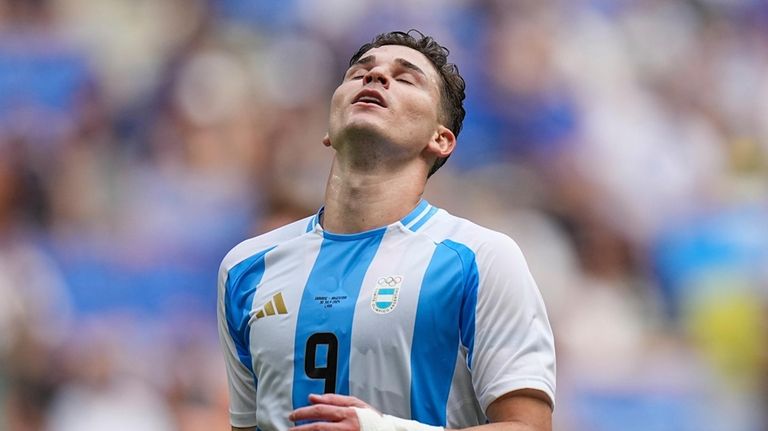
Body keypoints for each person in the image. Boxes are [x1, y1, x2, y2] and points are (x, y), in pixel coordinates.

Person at [217, 30, 556, 431]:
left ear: (441, 139)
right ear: (329, 128)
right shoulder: (244, 268)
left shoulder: (479, 259)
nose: (375, 77)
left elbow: (529, 427)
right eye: (360, 72)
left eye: (406, 77)